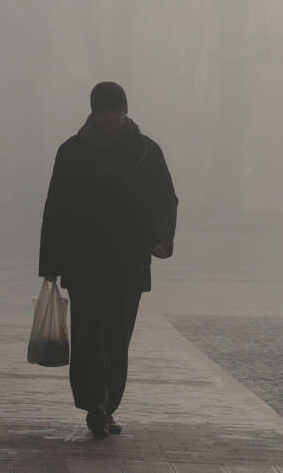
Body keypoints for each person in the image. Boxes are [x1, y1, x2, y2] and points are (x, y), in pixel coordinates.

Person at [39, 82, 178, 439]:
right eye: (105, 111)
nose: (112, 118)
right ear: (94, 113)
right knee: (89, 336)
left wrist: (163, 239)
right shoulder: (72, 151)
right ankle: (94, 403)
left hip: (128, 262)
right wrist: (50, 264)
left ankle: (106, 404)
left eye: (116, 111)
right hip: (83, 261)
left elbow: (166, 199)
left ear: (126, 110)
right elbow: (56, 208)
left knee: (118, 338)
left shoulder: (146, 151)